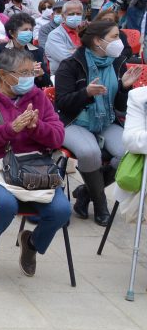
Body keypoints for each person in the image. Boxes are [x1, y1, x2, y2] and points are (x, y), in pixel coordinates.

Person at [0, 48, 71, 281]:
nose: (29, 78)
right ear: (4, 74)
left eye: (32, 72)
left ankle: (31, 244)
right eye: (23, 73)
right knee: (4, 204)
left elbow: (58, 137)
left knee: (61, 210)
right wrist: (10, 129)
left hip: (33, 168)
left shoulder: (37, 96)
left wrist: (37, 127)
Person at [56, 20, 141, 226]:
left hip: (106, 120)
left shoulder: (117, 62)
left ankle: (86, 193)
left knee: (130, 152)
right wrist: (86, 93)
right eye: (114, 37)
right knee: (89, 152)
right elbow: (62, 103)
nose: (120, 41)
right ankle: (101, 205)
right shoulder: (71, 64)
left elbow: (120, 106)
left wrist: (123, 88)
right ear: (97, 41)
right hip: (75, 121)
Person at [0, 12, 51, 86]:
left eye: (30, 30)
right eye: (25, 30)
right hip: (9, 88)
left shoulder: (37, 50)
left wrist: (40, 75)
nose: (28, 33)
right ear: (12, 33)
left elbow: (47, 83)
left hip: (33, 88)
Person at [44, 0, 86, 73]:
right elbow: (67, 59)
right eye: (71, 14)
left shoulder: (85, 32)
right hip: (64, 75)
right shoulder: (55, 35)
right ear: (63, 16)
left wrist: (73, 51)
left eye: (78, 14)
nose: (75, 16)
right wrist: (84, 51)